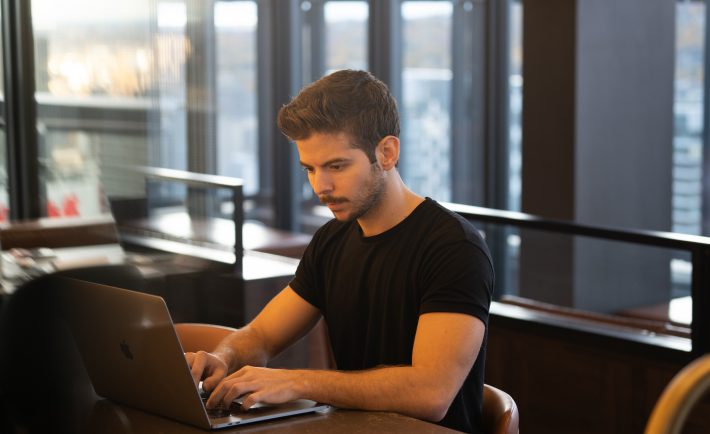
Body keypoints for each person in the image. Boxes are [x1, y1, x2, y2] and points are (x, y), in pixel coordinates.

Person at [186, 69, 494, 433]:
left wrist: (298, 382)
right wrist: (223, 357)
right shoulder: (331, 241)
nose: (321, 185)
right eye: (310, 169)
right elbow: (263, 336)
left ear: (387, 152)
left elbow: (430, 393)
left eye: (336, 166)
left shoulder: (454, 247)